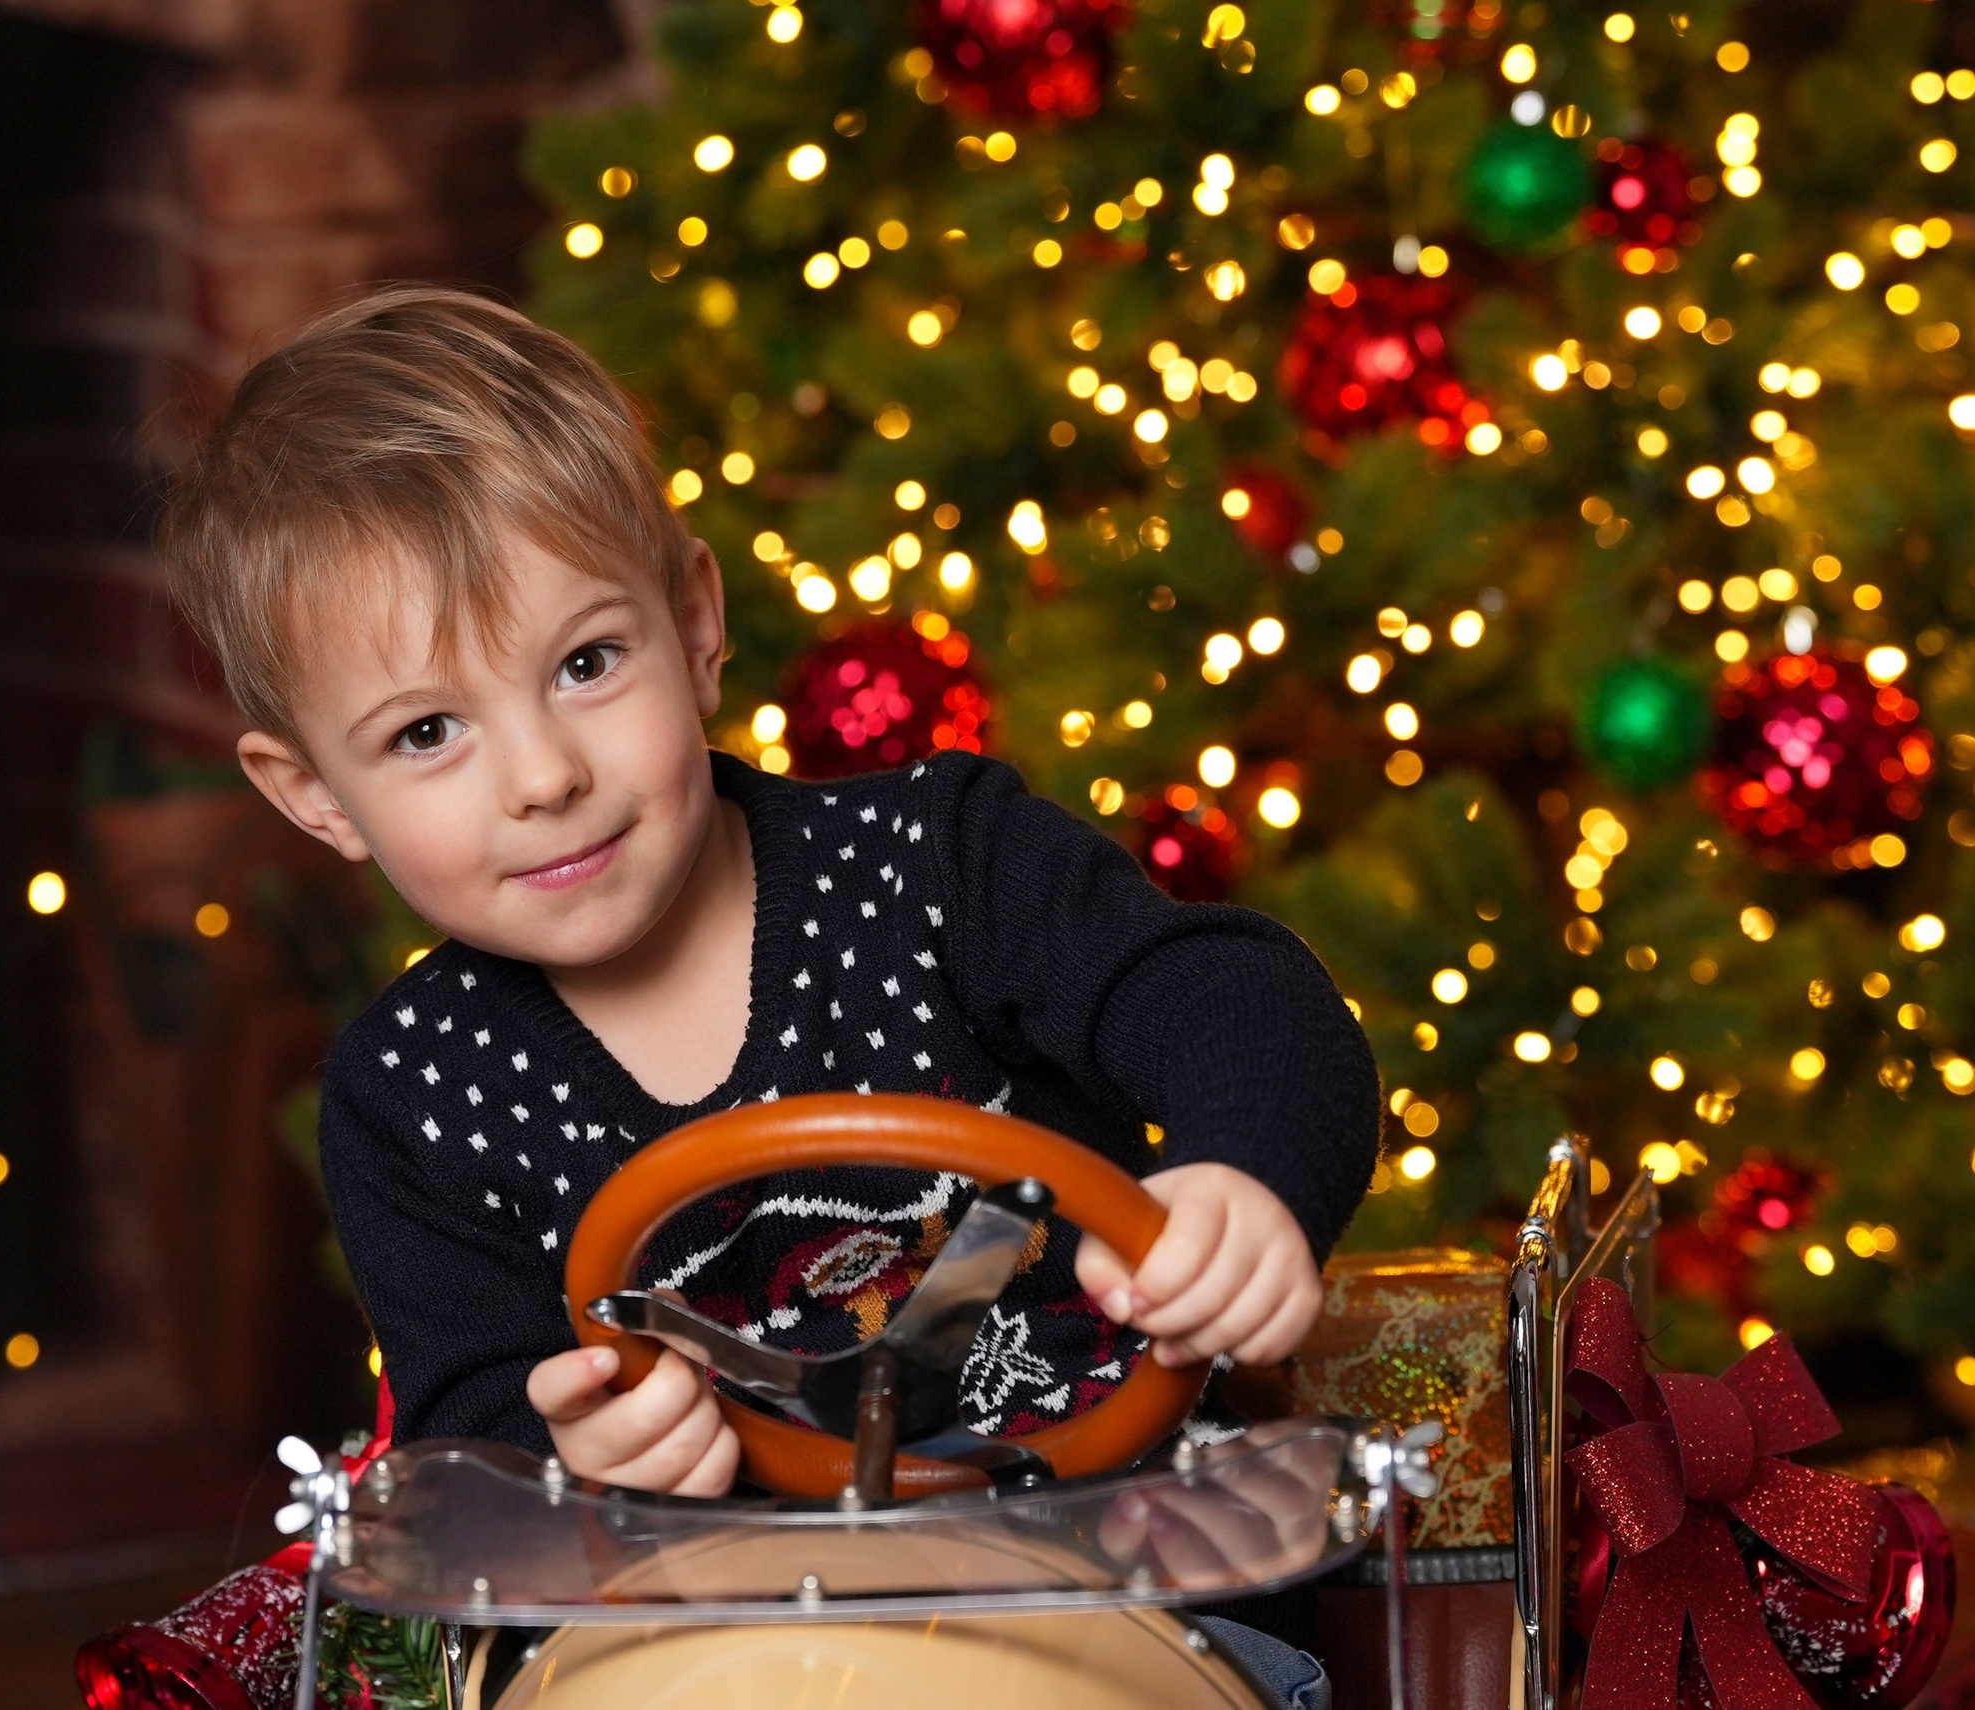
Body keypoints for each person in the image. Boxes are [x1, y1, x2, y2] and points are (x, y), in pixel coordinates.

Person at [166, 281, 1379, 1513]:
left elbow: (1236, 999)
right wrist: (575, 1461)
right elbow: (469, 1445)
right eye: (428, 732)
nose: (544, 777)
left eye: (587, 664)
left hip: (1131, 1570)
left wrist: (1247, 1178)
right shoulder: (414, 1097)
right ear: (315, 795)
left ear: (694, 625)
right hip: (726, 1635)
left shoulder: (937, 861)